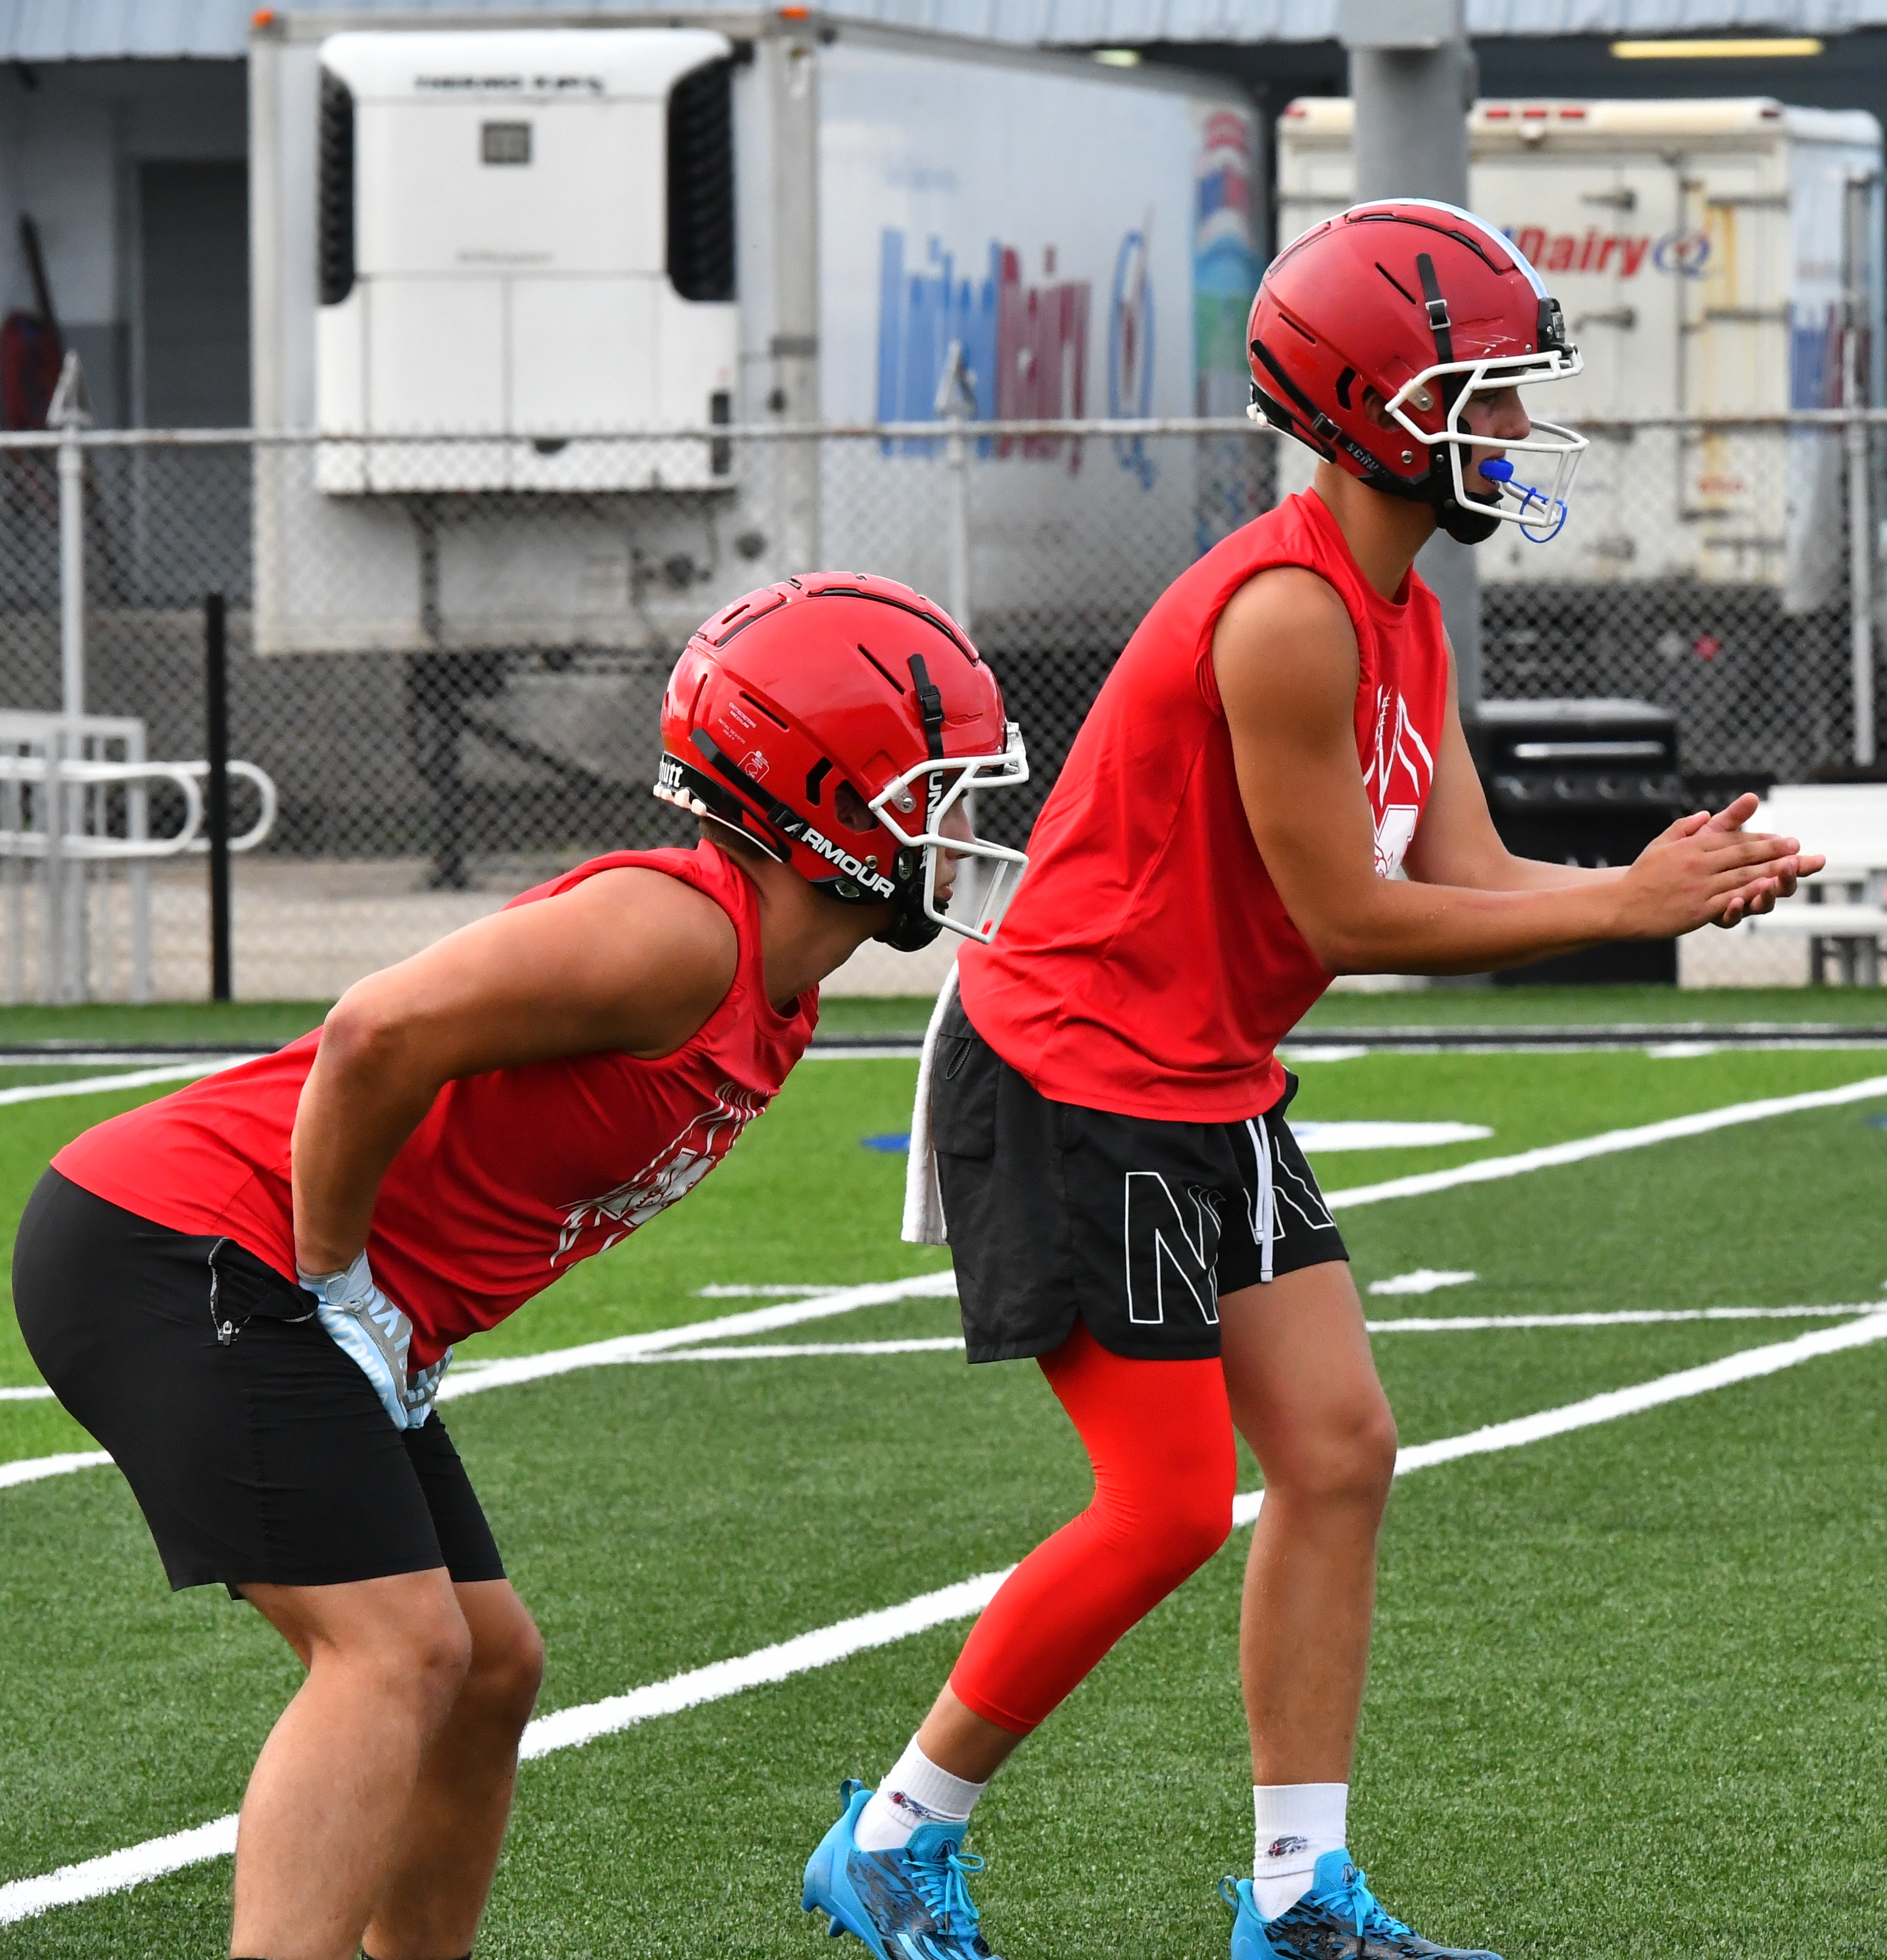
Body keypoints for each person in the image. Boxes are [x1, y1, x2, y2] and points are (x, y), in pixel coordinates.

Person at [802, 202, 1821, 1960]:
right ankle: (894, 1837)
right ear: (1375, 407)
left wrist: (1648, 884)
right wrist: (1626, 904)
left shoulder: (1398, 609)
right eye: (1485, 401)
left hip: (1200, 1071)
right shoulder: (1284, 615)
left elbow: (1474, 870)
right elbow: (1346, 911)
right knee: (1168, 1501)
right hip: (1069, 1072)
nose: (1513, 435)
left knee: (1339, 1450)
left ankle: (1294, 1901)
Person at [12, 573, 1028, 1960]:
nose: (964, 829)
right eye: (939, 790)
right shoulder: (686, 933)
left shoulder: (777, 988)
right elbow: (374, 1032)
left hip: (267, 1268)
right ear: (831, 800)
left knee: (489, 1668)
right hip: (189, 1243)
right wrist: (337, 1275)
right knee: (399, 1652)